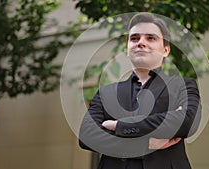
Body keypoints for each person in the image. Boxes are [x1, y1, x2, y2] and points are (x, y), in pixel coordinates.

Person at [79, 12, 201, 169]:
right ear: (128, 48)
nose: (141, 43)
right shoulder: (105, 93)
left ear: (165, 50)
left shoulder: (183, 86)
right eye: (134, 38)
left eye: (151, 38)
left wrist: (120, 126)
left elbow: (187, 122)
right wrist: (147, 144)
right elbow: (87, 137)